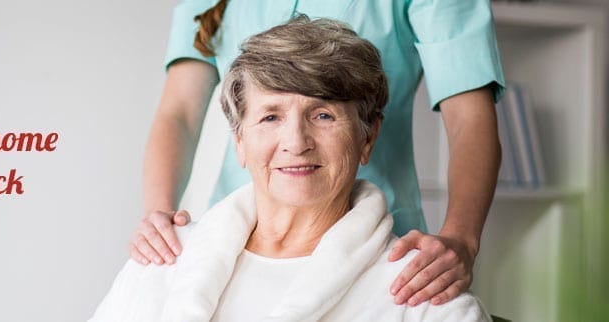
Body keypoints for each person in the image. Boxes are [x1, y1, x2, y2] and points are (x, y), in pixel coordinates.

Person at [93, 16, 490, 321]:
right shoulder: (160, 270)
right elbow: (178, 111)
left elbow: (471, 119)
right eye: (269, 117)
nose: (296, 142)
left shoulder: (422, 299)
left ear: (367, 137)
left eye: (323, 115)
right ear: (239, 141)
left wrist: (463, 240)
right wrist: (159, 220)